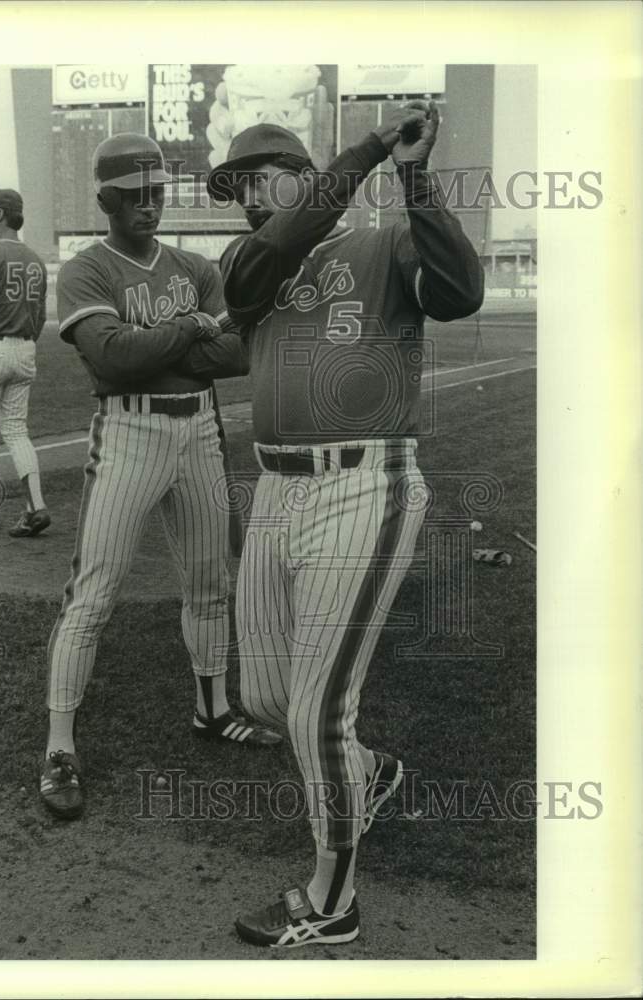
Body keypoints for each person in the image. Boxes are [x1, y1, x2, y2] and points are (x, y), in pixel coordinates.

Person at [207, 101, 484, 948]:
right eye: (238, 183)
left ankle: (333, 902)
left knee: (315, 711)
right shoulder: (247, 261)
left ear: (302, 174)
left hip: (366, 482)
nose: (250, 194)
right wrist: (366, 147)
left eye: (263, 176)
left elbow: (463, 294)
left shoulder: (383, 243)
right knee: (260, 695)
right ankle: (372, 773)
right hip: (278, 490)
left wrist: (410, 174)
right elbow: (270, 251)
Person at [40, 133, 281, 821]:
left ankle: (212, 707)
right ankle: (60, 746)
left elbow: (236, 353)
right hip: (128, 430)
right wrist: (190, 330)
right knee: (94, 591)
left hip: (199, 426)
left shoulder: (195, 264)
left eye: (156, 193)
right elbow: (113, 362)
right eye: (133, 196)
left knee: (210, 584)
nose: (149, 205)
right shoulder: (86, 270)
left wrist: (163, 344)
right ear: (105, 200)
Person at [0, 188, 50, 537]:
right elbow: (37, 318)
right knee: (17, 431)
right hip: (25, 349)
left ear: (2, 214)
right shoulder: (35, 259)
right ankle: (36, 505)